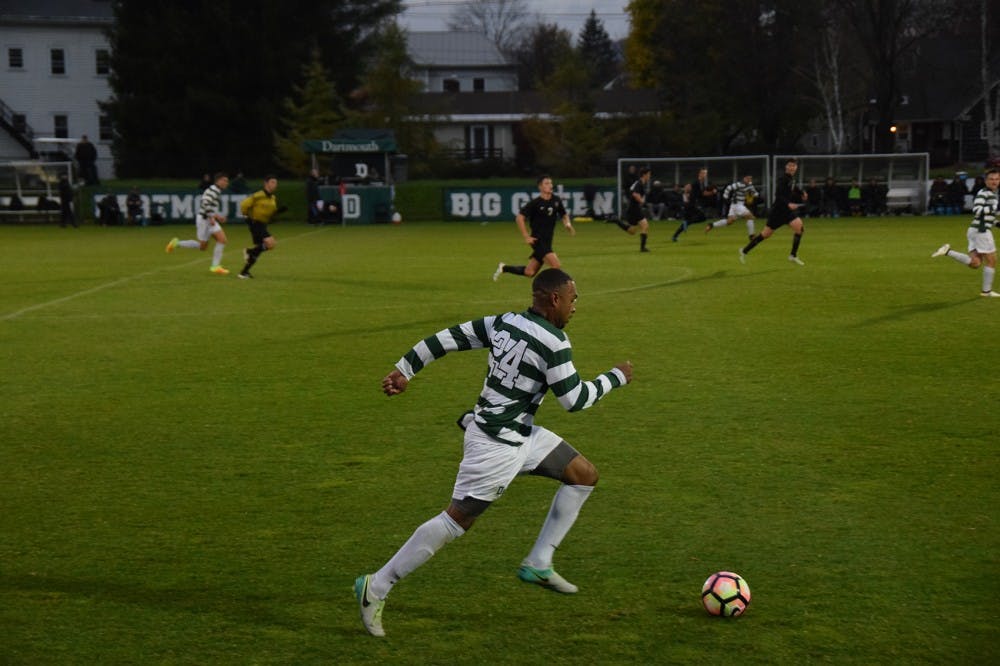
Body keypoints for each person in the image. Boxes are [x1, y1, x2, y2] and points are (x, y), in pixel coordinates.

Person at [355, 268, 633, 637]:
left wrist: (405, 369)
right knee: (457, 520)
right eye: (573, 299)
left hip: (519, 433)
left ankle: (539, 561)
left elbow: (448, 338)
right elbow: (574, 400)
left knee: (583, 475)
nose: (575, 306)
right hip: (496, 446)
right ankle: (376, 586)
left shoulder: (504, 322)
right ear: (554, 299)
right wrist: (616, 377)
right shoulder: (555, 342)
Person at [931, 167, 1000, 297]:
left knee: (975, 263)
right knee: (992, 260)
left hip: (975, 230)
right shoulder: (985, 193)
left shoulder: (991, 194)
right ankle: (986, 291)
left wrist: (996, 223)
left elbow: (985, 216)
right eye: (991, 179)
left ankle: (948, 251)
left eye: (997, 179)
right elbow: (977, 210)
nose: (994, 181)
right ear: (986, 181)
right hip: (981, 232)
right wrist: (992, 208)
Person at [494, 175, 575, 280]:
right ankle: (551, 287)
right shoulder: (535, 203)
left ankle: (504, 268)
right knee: (556, 266)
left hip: (548, 240)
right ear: (540, 187)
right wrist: (526, 236)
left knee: (529, 272)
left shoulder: (556, 200)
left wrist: (568, 224)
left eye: (551, 183)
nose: (550, 185)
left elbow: (564, 214)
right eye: (547, 183)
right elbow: (519, 218)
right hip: (537, 240)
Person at [740, 158, 807, 266]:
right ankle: (744, 251)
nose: (792, 167)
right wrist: (788, 204)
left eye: (794, 166)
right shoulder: (782, 179)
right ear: (786, 167)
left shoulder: (791, 179)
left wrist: (802, 192)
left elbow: (793, 188)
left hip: (787, 212)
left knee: (799, 228)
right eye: (790, 165)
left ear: (796, 167)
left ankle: (793, 255)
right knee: (765, 234)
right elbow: (778, 195)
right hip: (778, 212)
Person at [165, 171, 230, 275]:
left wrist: (217, 217)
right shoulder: (212, 190)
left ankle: (215, 266)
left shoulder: (216, 190)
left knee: (222, 240)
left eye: (227, 181)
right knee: (202, 247)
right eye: (225, 180)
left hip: (208, 219)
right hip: (204, 220)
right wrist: (211, 217)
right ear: (218, 181)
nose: (227, 183)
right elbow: (205, 203)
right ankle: (176, 243)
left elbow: (210, 206)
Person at [238, 175, 283, 279]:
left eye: (276, 183)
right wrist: (247, 217)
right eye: (272, 182)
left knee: (259, 249)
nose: (275, 185)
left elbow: (270, 212)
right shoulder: (258, 195)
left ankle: (244, 272)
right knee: (270, 243)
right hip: (256, 223)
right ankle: (249, 252)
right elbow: (244, 205)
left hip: (263, 224)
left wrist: (276, 214)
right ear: (266, 183)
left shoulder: (272, 197)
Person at [609, 166, 651, 251]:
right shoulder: (639, 183)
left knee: (632, 231)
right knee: (645, 225)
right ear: (644, 175)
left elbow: (633, 192)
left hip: (633, 208)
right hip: (634, 208)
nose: (649, 176)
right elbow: (635, 194)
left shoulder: (639, 183)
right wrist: (643, 202)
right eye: (649, 174)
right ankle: (643, 248)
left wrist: (641, 202)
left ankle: (616, 220)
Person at [705, 174, 759, 240]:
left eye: (750, 178)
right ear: (744, 178)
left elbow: (756, 194)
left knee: (729, 221)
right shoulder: (739, 184)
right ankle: (752, 236)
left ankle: (711, 225)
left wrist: (752, 195)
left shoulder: (750, 186)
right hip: (737, 205)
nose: (749, 179)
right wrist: (725, 198)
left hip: (735, 205)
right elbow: (728, 188)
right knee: (750, 216)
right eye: (748, 178)